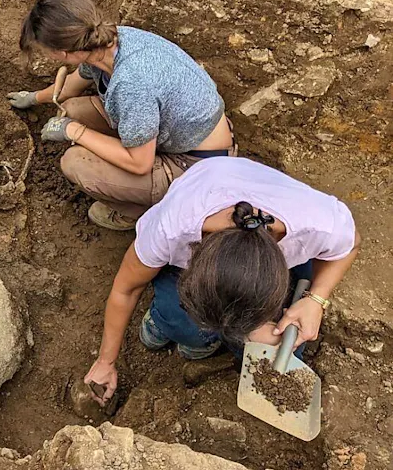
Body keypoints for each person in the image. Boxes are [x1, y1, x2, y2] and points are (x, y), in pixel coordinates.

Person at [81, 157, 360, 406]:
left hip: (267, 217)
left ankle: (209, 337)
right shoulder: (171, 229)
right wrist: (106, 361)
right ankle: (166, 322)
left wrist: (315, 300)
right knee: (185, 324)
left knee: (286, 348)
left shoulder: (317, 225)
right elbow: (126, 289)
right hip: (210, 185)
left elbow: (351, 245)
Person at [7, 0, 235, 231]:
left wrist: (73, 131)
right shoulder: (106, 41)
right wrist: (33, 98)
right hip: (179, 133)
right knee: (72, 109)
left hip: (198, 166)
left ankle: (141, 213)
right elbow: (69, 88)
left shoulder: (131, 83)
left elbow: (140, 164)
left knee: (75, 163)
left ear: (62, 53)